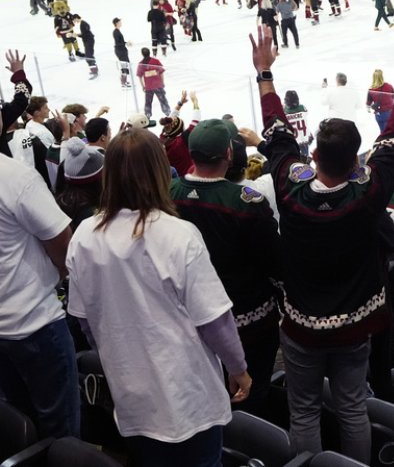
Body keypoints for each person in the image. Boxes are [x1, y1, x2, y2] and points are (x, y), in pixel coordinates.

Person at [250, 25, 394, 463]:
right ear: (356, 161)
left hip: (300, 328)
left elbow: (276, 134)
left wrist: (264, 73)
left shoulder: (292, 189)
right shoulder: (369, 194)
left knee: (305, 410)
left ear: (312, 158)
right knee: (352, 409)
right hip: (353, 327)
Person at [67, 127, 252, 466]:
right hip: (187, 398)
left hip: (131, 395)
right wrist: (239, 368)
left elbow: (85, 321)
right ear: (158, 170)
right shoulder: (177, 234)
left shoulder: (83, 236)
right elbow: (214, 321)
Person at [170, 119, 281, 419]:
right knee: (251, 394)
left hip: (189, 316)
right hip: (248, 319)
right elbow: (276, 262)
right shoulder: (246, 203)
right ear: (229, 155)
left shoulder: (169, 193)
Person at [0, 50, 79, 440]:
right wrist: (65, 280)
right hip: (34, 322)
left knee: (19, 424)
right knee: (59, 428)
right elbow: (60, 241)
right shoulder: (15, 178)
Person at [136, 47, 170, 125]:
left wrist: (143, 86)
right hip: (158, 85)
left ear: (142, 54)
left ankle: (147, 115)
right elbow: (161, 72)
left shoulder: (141, 64)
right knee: (163, 100)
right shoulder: (155, 61)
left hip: (148, 87)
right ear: (149, 52)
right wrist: (162, 82)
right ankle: (167, 112)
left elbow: (140, 76)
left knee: (148, 102)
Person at [72, 14, 98, 80]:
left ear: (76, 18)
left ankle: (95, 72)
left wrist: (76, 35)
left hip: (89, 41)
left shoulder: (83, 23)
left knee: (88, 56)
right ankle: (94, 70)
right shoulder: (82, 23)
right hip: (88, 41)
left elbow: (85, 34)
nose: (74, 21)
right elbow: (84, 33)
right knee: (89, 55)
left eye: (74, 20)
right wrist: (77, 35)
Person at [113, 18, 131, 88]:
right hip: (120, 51)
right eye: (120, 22)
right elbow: (118, 43)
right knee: (124, 66)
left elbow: (120, 42)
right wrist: (126, 43)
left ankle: (124, 81)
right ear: (117, 23)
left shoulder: (117, 31)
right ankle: (123, 82)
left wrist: (126, 43)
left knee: (125, 65)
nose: (121, 23)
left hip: (121, 50)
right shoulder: (116, 32)